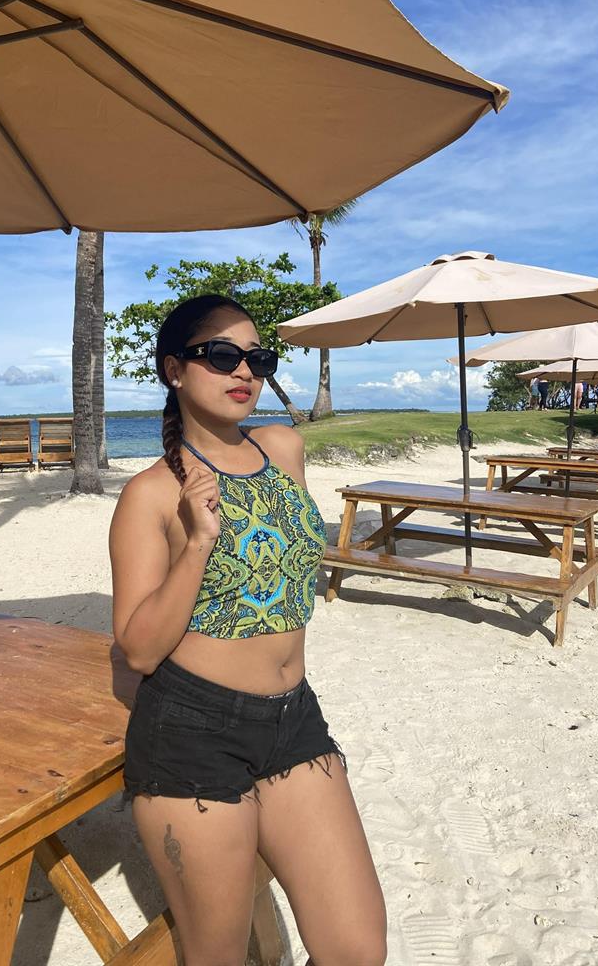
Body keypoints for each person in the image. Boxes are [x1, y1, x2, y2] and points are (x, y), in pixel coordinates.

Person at [109, 295, 386, 965]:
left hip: (293, 719)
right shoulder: (151, 493)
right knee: (219, 956)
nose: (244, 371)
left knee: (356, 949)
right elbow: (138, 649)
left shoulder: (283, 447)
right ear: (175, 369)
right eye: (222, 355)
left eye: (257, 359)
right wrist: (198, 542)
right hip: (192, 732)